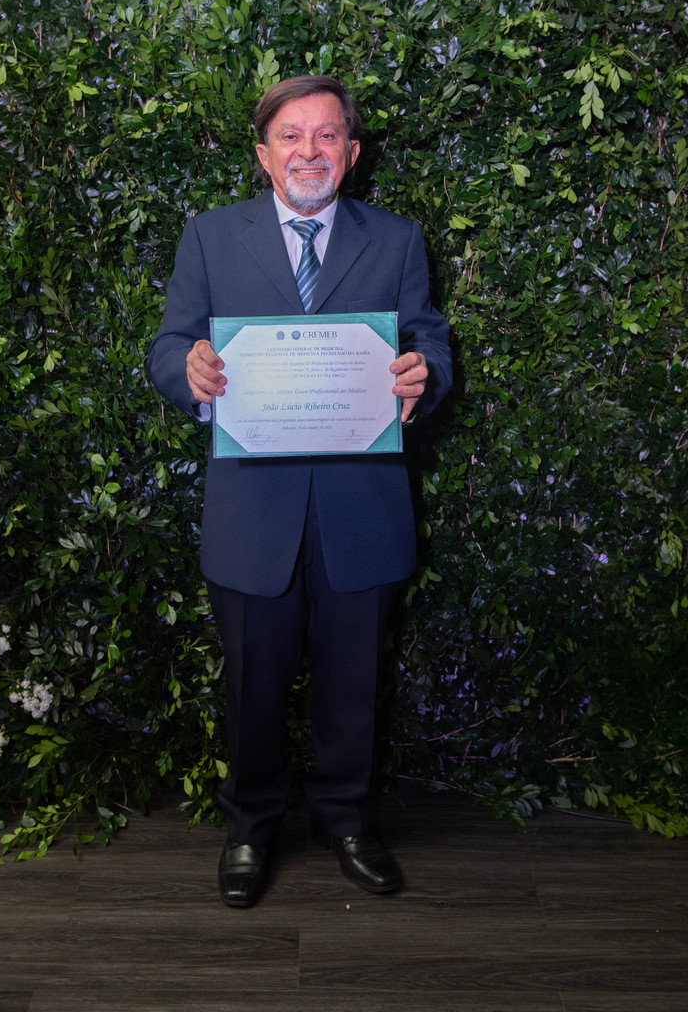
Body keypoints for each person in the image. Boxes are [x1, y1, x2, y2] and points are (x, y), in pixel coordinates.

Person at [146, 75, 451, 907]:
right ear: (263, 153)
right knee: (252, 685)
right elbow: (170, 342)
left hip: (363, 507)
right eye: (291, 136)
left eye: (325, 136)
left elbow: (428, 341)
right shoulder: (210, 237)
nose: (308, 151)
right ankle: (249, 829)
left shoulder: (397, 240)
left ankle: (346, 821)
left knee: (353, 684)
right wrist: (187, 370)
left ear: (350, 153)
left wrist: (425, 374)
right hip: (253, 512)